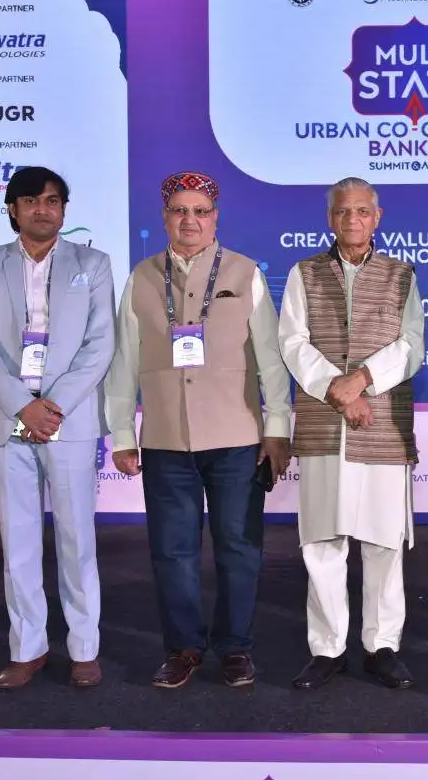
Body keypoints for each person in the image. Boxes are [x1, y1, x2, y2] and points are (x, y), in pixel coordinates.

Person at [104, 171, 292, 689]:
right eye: (179, 210)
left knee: (239, 548)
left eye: (200, 211)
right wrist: (122, 434)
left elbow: (271, 360)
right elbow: (124, 362)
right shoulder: (141, 277)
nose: (190, 220)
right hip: (165, 440)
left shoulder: (245, 273)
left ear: (216, 217)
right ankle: (184, 647)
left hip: (237, 439)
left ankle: (235, 648)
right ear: (165, 217)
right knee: (172, 552)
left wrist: (277, 428)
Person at [0, 166, 115, 689]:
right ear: (13, 209)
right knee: (19, 540)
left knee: (77, 538)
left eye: (52, 200)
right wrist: (21, 405)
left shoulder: (92, 264)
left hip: (67, 419)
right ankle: (28, 648)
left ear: (63, 210)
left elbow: (100, 345)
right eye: (31, 201)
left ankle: (84, 648)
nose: (42, 209)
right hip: (8, 417)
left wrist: (54, 405)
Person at [278, 177, 425, 691]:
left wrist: (360, 380)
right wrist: (337, 390)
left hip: (382, 425)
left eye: (362, 211)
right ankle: (328, 649)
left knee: (384, 542)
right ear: (330, 218)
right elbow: (292, 342)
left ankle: (382, 646)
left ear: (377, 217)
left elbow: (411, 345)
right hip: (324, 424)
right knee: (323, 541)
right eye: (343, 212)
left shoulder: (401, 274)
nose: (352, 220)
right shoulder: (303, 273)